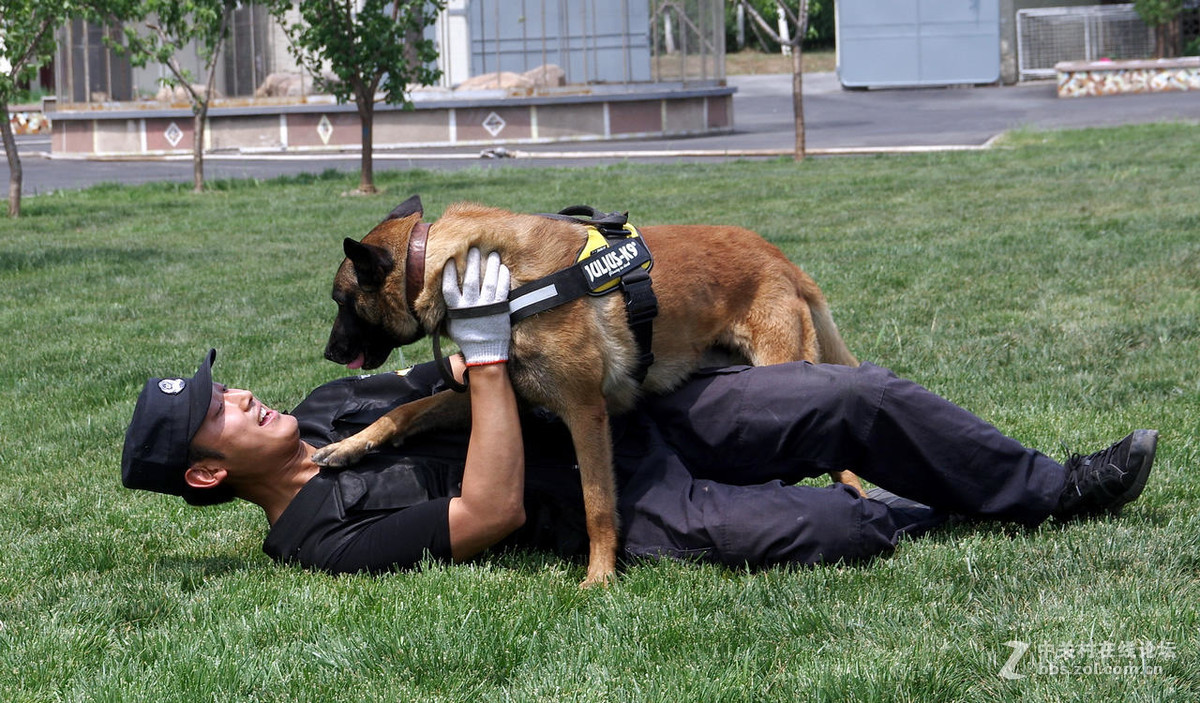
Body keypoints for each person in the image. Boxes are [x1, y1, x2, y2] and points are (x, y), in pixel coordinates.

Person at [121, 249, 1159, 575]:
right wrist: (482, 358)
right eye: (219, 407)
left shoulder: (326, 403)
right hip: (604, 499)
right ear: (208, 472)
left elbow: (442, 379)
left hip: (624, 407)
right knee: (832, 524)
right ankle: (948, 510)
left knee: (856, 393)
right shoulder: (315, 537)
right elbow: (486, 512)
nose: (241, 392)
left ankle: (1052, 486)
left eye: (224, 382)